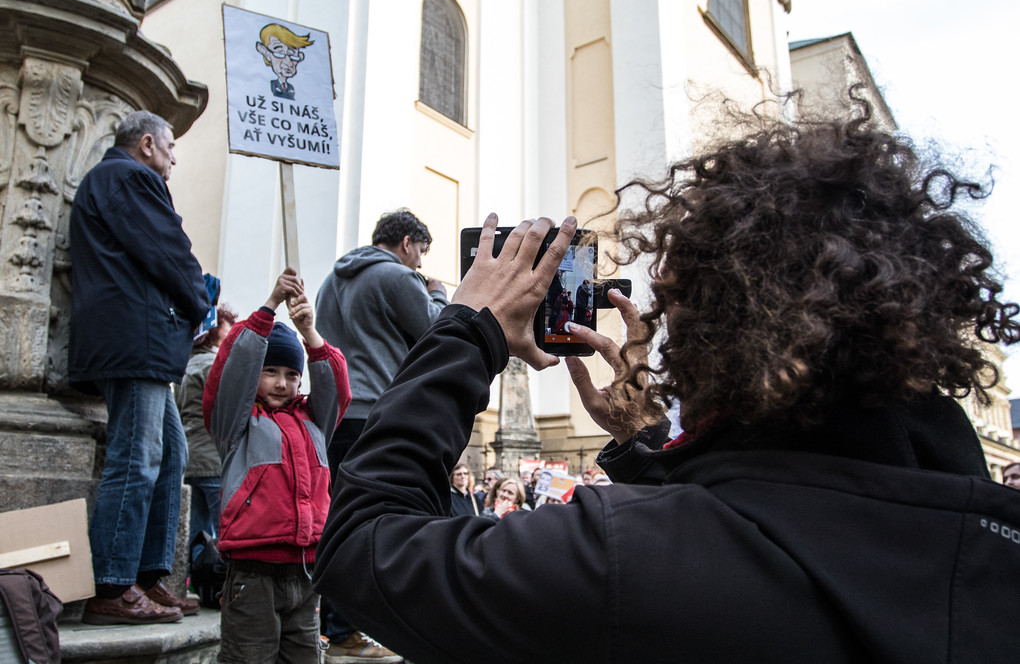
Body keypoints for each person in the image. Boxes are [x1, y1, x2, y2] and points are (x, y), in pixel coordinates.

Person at [312, 108, 1020, 663]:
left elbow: (365, 547)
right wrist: (653, 444)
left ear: (723, 336)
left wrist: (469, 330)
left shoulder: (624, 557)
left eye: (675, 309)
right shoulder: (989, 539)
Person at [71, 110, 210, 625]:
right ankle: (111, 585)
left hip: (138, 338)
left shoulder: (113, 179)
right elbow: (168, 251)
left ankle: (147, 576)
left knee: (170, 453)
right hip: (134, 338)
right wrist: (200, 301)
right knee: (138, 458)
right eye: (171, 147)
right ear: (147, 144)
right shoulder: (130, 177)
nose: (174, 158)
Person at [314, 209, 446, 662]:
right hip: (376, 412)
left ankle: (334, 627)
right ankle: (351, 632)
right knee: (375, 523)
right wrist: (438, 293)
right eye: (421, 252)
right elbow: (437, 330)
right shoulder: (397, 276)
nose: (421, 263)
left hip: (336, 413)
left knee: (340, 519)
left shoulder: (332, 281)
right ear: (407, 243)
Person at [203, 268, 351, 663]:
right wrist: (269, 307)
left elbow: (337, 386)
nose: (282, 383)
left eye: (291, 374)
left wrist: (310, 332)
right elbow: (233, 366)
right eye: (270, 372)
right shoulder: (236, 423)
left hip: (305, 572)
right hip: (252, 573)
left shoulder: (313, 421)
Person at [176, 304, 238, 548]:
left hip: (190, 459)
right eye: (227, 331)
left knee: (197, 534)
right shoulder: (215, 365)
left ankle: (198, 570)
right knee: (226, 531)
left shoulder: (184, 366)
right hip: (214, 459)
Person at [255, 23, 313, 100]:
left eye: (292, 55)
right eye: (280, 53)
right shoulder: (265, 85)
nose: (289, 63)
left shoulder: (291, 88)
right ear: (266, 53)